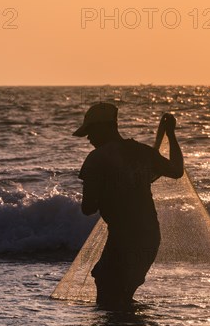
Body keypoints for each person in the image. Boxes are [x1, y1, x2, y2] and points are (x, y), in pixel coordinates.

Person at [73, 103, 184, 308]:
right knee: (123, 298)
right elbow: (177, 170)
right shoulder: (142, 153)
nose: (88, 138)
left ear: (105, 128)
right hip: (149, 237)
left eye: (90, 132)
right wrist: (171, 134)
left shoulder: (96, 159)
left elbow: (88, 208)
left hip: (123, 239)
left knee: (108, 294)